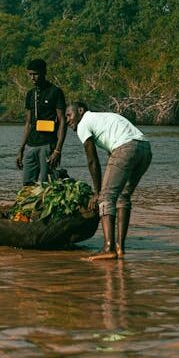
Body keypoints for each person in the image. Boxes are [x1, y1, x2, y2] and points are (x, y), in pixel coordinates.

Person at [65, 102, 152, 261]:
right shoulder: (102, 118)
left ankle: (108, 247)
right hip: (145, 149)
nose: (67, 120)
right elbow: (112, 153)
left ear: (80, 111)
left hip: (126, 148)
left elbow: (92, 161)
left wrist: (97, 192)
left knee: (106, 198)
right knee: (122, 197)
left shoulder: (84, 122)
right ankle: (120, 248)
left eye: (69, 115)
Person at [17, 59, 67, 185]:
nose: (32, 78)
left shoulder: (55, 92)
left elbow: (62, 122)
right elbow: (28, 123)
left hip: (48, 145)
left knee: (47, 184)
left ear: (44, 72)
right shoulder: (30, 94)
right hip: (31, 145)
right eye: (30, 75)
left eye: (35, 74)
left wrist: (57, 150)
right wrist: (21, 149)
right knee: (27, 184)